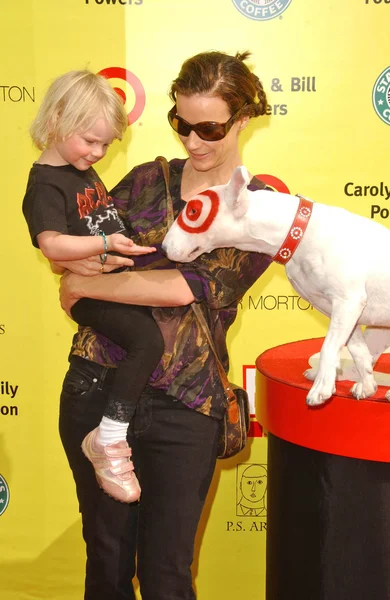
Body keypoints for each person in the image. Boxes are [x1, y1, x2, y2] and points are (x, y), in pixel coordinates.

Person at [56, 50, 273, 600]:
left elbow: (189, 288)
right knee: (105, 563)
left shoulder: (261, 208)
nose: (194, 142)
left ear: (242, 120)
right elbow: (72, 260)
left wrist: (88, 284)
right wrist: (82, 275)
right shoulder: (147, 180)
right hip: (99, 385)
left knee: (167, 575)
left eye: (210, 128)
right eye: (182, 124)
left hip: (188, 404)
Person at [22, 70, 165, 504]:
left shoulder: (80, 169)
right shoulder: (46, 181)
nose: (98, 153)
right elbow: (51, 243)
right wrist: (103, 244)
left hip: (110, 277)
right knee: (146, 341)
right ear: (58, 118)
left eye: (106, 145)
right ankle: (109, 437)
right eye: (90, 141)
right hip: (91, 293)